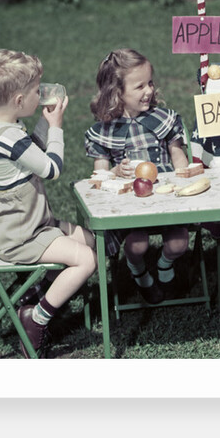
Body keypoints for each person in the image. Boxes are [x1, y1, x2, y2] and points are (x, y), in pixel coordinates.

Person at [0, 49, 97, 358]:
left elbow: (33, 151)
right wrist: (56, 125)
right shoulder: (10, 138)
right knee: (87, 260)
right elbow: (51, 167)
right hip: (20, 236)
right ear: (18, 100)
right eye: (35, 92)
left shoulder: (0, 127)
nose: (40, 96)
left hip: (31, 223)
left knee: (92, 240)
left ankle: (36, 292)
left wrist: (43, 125)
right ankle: (36, 319)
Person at [84, 48, 191, 304]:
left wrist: (182, 177)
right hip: (132, 204)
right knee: (136, 246)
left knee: (178, 243)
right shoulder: (105, 130)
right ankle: (138, 271)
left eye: (150, 83)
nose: (149, 91)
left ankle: (165, 266)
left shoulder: (163, 120)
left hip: (167, 197)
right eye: (140, 86)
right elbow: (99, 175)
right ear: (116, 93)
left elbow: (178, 155)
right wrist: (115, 172)